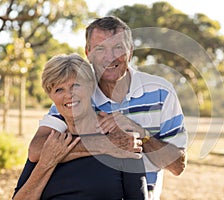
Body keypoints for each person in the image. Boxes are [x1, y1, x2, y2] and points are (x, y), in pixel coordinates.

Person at [29, 16, 188, 200]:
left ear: (130, 51)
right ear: (87, 52)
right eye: (100, 48)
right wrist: (107, 144)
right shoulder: (75, 94)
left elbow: (178, 166)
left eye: (118, 47)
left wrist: (140, 134)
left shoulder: (161, 92)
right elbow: (36, 150)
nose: (109, 57)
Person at [13, 54, 147, 199]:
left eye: (75, 85)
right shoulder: (50, 143)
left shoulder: (120, 140)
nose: (69, 95)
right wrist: (47, 163)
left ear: (90, 86)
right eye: (59, 90)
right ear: (50, 96)